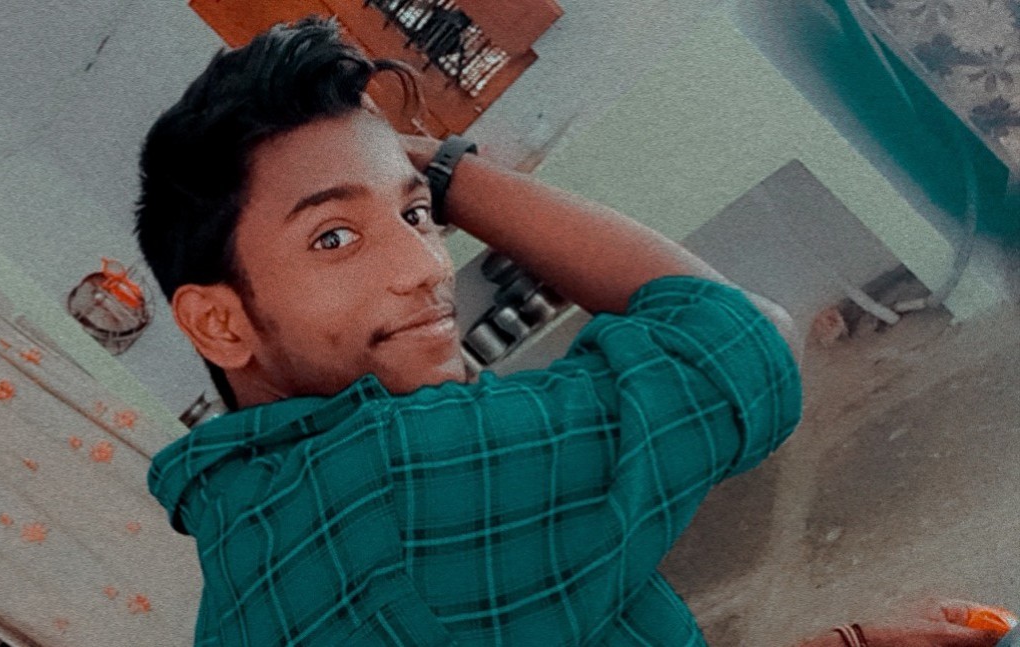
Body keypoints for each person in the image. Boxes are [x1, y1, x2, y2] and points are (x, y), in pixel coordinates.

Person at [135, 16, 999, 646]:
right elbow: (743, 343)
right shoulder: (403, 472)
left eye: (416, 213)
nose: (424, 267)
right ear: (218, 320)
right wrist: (447, 169)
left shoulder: (250, 531)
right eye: (334, 237)